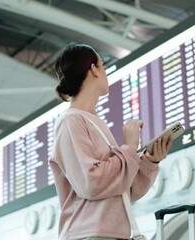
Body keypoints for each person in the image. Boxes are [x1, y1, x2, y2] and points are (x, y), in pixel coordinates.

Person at [49, 43, 173, 240]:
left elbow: (122, 189)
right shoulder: (70, 121)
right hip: (89, 234)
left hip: (112, 234)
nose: (106, 73)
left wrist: (150, 161)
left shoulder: (95, 124)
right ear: (93, 70)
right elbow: (91, 184)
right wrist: (130, 147)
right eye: (103, 66)